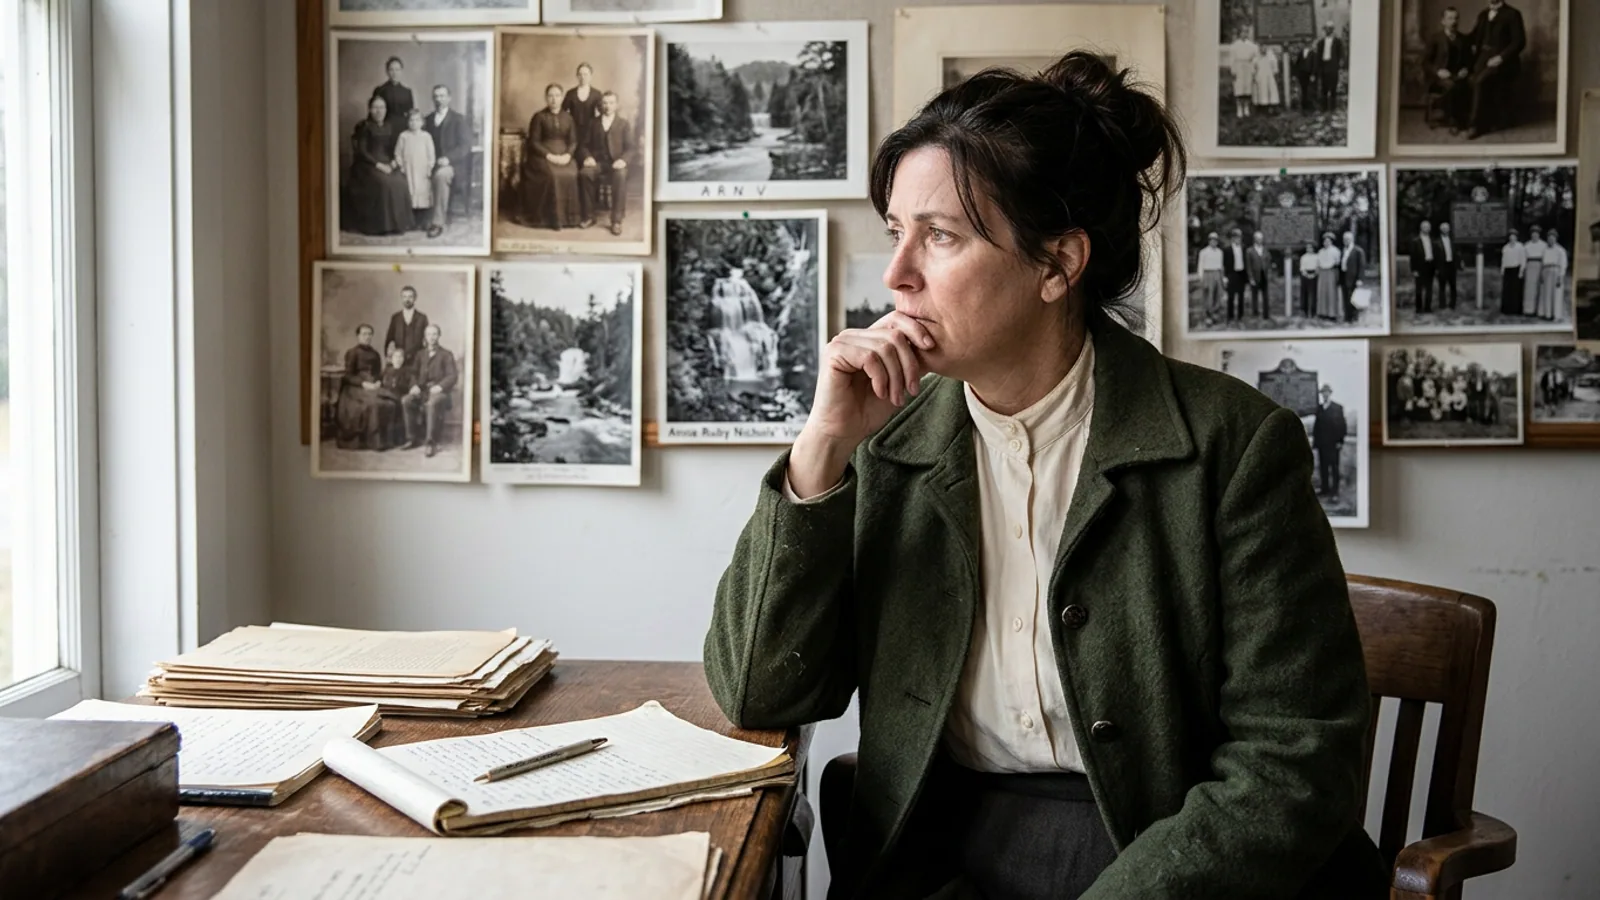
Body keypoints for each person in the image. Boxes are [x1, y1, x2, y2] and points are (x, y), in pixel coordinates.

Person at [702, 50, 1386, 900]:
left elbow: (1294, 761)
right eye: (895, 231)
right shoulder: (888, 443)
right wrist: (821, 449)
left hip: (1168, 858)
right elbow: (759, 686)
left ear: (1058, 264)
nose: (896, 273)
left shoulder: (1233, 446)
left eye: (940, 236)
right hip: (941, 848)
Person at [344, 95, 414, 236]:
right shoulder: (364, 126)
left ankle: (399, 224)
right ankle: (381, 226)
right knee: (384, 183)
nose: (379, 111)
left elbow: (393, 148)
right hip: (367, 164)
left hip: (386, 161)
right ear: (370, 109)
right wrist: (378, 165)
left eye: (382, 107)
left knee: (400, 181)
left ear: (386, 110)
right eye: (375, 107)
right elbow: (362, 152)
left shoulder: (389, 126)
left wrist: (394, 161)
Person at [521, 83, 580, 230]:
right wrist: (549, 156)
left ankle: (569, 219)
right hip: (542, 155)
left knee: (571, 173)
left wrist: (568, 155)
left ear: (562, 98)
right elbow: (534, 142)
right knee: (552, 175)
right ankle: (552, 219)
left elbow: (573, 141)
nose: (554, 99)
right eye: (550, 96)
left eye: (557, 96)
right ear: (546, 98)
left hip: (564, 154)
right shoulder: (539, 117)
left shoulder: (569, 118)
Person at [1464, 0, 1526, 139]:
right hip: (1483, 59)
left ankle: (1475, 126)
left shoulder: (1513, 14)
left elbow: (1519, 41)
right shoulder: (1483, 14)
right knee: (1470, 79)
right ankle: (1480, 120)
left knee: (1480, 82)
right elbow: (1473, 37)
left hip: (1504, 63)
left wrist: (1501, 58)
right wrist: (1454, 34)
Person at [578, 91, 633, 236]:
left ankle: (616, 220)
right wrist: (588, 157)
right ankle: (589, 216)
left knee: (620, 175)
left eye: (611, 103)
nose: (608, 106)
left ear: (617, 105)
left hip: (616, 163)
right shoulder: (593, 123)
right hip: (598, 163)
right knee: (585, 173)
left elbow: (630, 148)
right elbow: (583, 145)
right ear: (601, 105)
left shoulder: (623, 124)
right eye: (605, 103)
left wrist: (623, 160)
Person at [403, 324, 458, 457]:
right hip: (422, 390)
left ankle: (430, 443)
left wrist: (440, 386)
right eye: (429, 334)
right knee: (406, 400)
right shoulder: (420, 354)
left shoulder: (446, 354)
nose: (431, 337)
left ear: (439, 336)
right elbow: (413, 374)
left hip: (440, 392)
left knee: (431, 404)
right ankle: (412, 438)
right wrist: (414, 385)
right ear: (425, 337)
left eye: (434, 334)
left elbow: (452, 376)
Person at [424, 84, 472, 235]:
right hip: (431, 162)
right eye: (436, 96)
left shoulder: (458, 119)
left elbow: (465, 146)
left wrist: (448, 158)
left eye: (442, 96)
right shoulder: (428, 119)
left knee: (441, 175)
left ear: (449, 98)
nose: (439, 99)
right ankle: (416, 217)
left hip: (452, 165)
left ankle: (437, 223)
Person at [334, 324, 383, 450]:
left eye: (369, 334)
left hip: (372, 385)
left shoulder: (375, 354)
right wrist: (363, 383)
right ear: (358, 336)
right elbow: (348, 376)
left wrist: (377, 382)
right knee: (372, 404)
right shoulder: (352, 353)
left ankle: (385, 439)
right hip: (355, 387)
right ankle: (374, 442)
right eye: (364, 334)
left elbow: (378, 374)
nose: (367, 337)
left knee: (387, 401)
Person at [1425, 7, 1472, 132]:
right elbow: (1425, 62)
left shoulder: (1464, 39)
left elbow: (1469, 61)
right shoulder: (1435, 38)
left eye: (1456, 18)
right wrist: (1438, 71)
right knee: (1452, 86)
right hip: (1439, 77)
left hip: (1457, 75)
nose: (1453, 21)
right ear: (1443, 21)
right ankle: (1455, 121)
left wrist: (1466, 69)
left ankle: (1466, 118)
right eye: (1450, 18)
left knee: (1470, 83)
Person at [395, 108, 437, 234]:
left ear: (422, 122)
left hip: (422, 168)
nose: (414, 123)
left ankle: (423, 221)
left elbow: (431, 154)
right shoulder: (403, 136)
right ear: (408, 122)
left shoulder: (426, 136)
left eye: (417, 120)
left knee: (423, 192)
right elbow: (398, 153)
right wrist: (401, 166)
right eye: (411, 120)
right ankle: (411, 222)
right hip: (409, 169)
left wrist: (430, 167)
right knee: (410, 191)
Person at [371, 56, 414, 152]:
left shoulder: (407, 92)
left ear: (401, 71)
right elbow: (373, 113)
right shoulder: (380, 90)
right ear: (387, 72)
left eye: (397, 70)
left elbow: (411, 114)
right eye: (391, 69)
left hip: (402, 128)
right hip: (384, 128)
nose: (394, 73)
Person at [1311, 384, 1347, 498]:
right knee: (1323, 467)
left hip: (1333, 444)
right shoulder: (1319, 408)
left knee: (1334, 467)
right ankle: (1324, 489)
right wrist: (1316, 443)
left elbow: (1342, 425)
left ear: (1330, 393)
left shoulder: (1337, 408)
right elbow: (1316, 427)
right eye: (1323, 393)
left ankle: (1335, 491)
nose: (1325, 394)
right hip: (1322, 444)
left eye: (1326, 392)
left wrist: (1340, 441)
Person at [562, 63, 604, 157]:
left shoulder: (596, 94)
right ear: (577, 76)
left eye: (585, 74)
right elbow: (562, 112)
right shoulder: (571, 93)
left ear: (591, 76)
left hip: (590, 131)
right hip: (573, 130)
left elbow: (603, 114)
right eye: (580, 74)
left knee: (587, 154)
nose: (583, 77)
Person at [385, 285, 430, 368]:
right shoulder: (395, 318)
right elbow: (389, 339)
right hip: (399, 361)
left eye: (410, 297)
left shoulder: (422, 318)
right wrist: (391, 359)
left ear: (415, 299)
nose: (407, 300)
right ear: (401, 298)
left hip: (417, 361)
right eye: (404, 297)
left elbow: (428, 339)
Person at [1538, 228, 1567, 320]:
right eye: (1549, 238)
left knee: (1556, 294)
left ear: (1556, 239)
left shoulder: (1560, 250)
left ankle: (1556, 315)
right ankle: (1547, 314)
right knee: (1546, 293)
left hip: (1556, 271)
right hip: (1546, 271)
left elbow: (1563, 264)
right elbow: (1542, 263)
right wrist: (1542, 274)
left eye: (1553, 238)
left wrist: (1560, 276)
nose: (1551, 240)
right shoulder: (1544, 250)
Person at [1314, 23, 1344, 111]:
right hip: (1324, 65)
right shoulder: (1320, 43)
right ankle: (1324, 107)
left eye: (1330, 29)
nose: (1328, 31)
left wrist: (1340, 64)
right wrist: (1318, 68)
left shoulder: (1337, 42)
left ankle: (1333, 107)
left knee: (1333, 86)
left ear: (1332, 30)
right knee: (1324, 87)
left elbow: (1341, 54)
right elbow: (1318, 56)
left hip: (1333, 66)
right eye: (1326, 29)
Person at [1339, 230, 1366, 323]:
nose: (1346, 241)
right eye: (1344, 239)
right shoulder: (1343, 250)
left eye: (1348, 239)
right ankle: (1347, 316)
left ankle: (1354, 317)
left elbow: (1362, 266)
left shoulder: (1358, 250)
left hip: (1354, 278)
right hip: (1344, 277)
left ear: (1352, 239)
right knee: (1345, 297)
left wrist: (1360, 279)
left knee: (1354, 298)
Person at [1412, 220, 1437, 314]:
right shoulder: (1415, 241)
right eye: (1425, 227)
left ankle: (1428, 308)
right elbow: (1413, 257)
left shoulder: (1432, 240)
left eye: (1428, 227)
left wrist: (1435, 267)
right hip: (1419, 267)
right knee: (1419, 289)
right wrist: (1414, 270)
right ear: (1421, 228)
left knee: (1429, 289)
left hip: (1430, 266)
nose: (1427, 228)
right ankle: (1418, 308)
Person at [1223, 228, 1248, 321]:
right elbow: (1224, 264)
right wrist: (1225, 277)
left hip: (1241, 274)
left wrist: (1247, 277)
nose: (1238, 239)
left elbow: (1246, 262)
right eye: (1236, 237)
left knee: (1241, 296)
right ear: (1233, 238)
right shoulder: (1227, 249)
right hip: (1232, 274)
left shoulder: (1244, 248)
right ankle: (1230, 316)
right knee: (1231, 296)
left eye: (1240, 237)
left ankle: (1240, 315)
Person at [1196, 232, 1224, 314]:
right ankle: (1208, 313)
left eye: (1215, 240)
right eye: (1212, 240)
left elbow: (1221, 265)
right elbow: (1200, 265)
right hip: (1207, 274)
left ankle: (1215, 312)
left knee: (1217, 293)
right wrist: (1201, 277)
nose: (1214, 242)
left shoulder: (1220, 252)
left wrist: (1222, 277)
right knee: (1208, 294)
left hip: (1217, 273)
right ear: (1209, 241)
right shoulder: (1203, 252)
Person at [1316, 231, 1342, 319]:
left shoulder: (1336, 251)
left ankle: (1332, 313)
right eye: (1325, 241)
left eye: (1328, 241)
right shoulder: (1320, 251)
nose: (1326, 242)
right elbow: (1318, 262)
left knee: (1331, 292)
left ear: (1331, 241)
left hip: (1331, 272)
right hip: (1322, 272)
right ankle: (1322, 312)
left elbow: (1337, 262)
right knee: (1322, 292)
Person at [1522, 224, 1547, 315]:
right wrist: (1524, 269)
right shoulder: (1526, 245)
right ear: (1530, 234)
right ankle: (1528, 310)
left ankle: (1538, 310)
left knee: (1539, 287)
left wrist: (1543, 269)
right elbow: (1523, 258)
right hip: (1529, 266)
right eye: (1533, 233)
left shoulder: (1544, 245)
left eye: (1536, 234)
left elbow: (1545, 258)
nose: (1534, 235)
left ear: (1539, 234)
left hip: (1540, 265)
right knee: (1529, 288)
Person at [1500, 229, 1526, 316]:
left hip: (1516, 270)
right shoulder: (1505, 248)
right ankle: (1507, 310)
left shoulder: (1520, 247)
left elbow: (1523, 259)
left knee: (1516, 291)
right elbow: (1503, 260)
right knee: (1507, 291)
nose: (1512, 238)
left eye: (1514, 236)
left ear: (1516, 237)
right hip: (1508, 270)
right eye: (1511, 236)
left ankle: (1516, 310)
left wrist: (1521, 271)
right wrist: (1502, 270)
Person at [1436, 220, 1459, 309]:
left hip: (1452, 266)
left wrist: (1458, 264)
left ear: (1449, 230)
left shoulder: (1453, 241)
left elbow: (1457, 253)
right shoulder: (1436, 242)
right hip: (1442, 266)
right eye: (1443, 228)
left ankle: (1452, 304)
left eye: (1447, 228)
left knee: (1453, 286)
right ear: (1441, 230)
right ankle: (1442, 305)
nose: (1445, 230)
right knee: (1442, 286)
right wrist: (1437, 268)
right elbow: (1435, 256)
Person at [1246, 230, 1269, 318]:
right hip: (1255, 276)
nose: (1260, 240)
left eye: (1261, 239)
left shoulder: (1265, 250)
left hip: (1264, 275)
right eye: (1258, 239)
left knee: (1265, 296)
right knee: (1254, 296)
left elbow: (1268, 262)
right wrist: (1251, 278)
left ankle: (1266, 314)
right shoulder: (1250, 251)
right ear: (1255, 239)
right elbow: (1248, 266)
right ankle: (1255, 313)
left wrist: (1269, 273)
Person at [1298, 241, 1319, 316]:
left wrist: (1314, 274)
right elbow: (1302, 268)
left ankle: (1313, 311)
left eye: (1310, 248)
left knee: (1313, 294)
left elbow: (1318, 267)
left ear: (1313, 249)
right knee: (1305, 293)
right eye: (1307, 248)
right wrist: (1307, 275)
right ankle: (1305, 311)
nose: (1309, 249)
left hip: (1314, 275)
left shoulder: (1316, 256)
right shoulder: (1303, 257)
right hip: (1305, 275)